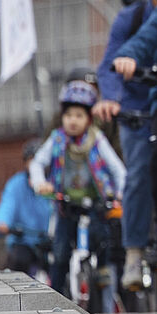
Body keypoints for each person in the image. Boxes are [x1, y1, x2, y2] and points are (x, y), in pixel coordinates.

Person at [94, 0, 157, 291]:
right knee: (139, 173)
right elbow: (110, 62)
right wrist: (112, 97)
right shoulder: (131, 19)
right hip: (135, 108)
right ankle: (133, 254)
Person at [29, 81, 126, 299]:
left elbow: (118, 170)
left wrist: (120, 192)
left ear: (89, 119)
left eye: (79, 116)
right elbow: (37, 163)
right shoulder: (56, 139)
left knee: (103, 238)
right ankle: (55, 295)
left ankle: (102, 272)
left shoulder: (97, 139)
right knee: (60, 252)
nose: (73, 120)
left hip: (95, 202)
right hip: (66, 204)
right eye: (68, 115)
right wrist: (40, 183)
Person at [0, 139, 53, 277]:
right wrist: (2, 222)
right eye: (32, 160)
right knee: (17, 262)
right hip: (23, 241)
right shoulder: (16, 184)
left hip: (50, 242)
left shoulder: (53, 183)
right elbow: (8, 205)